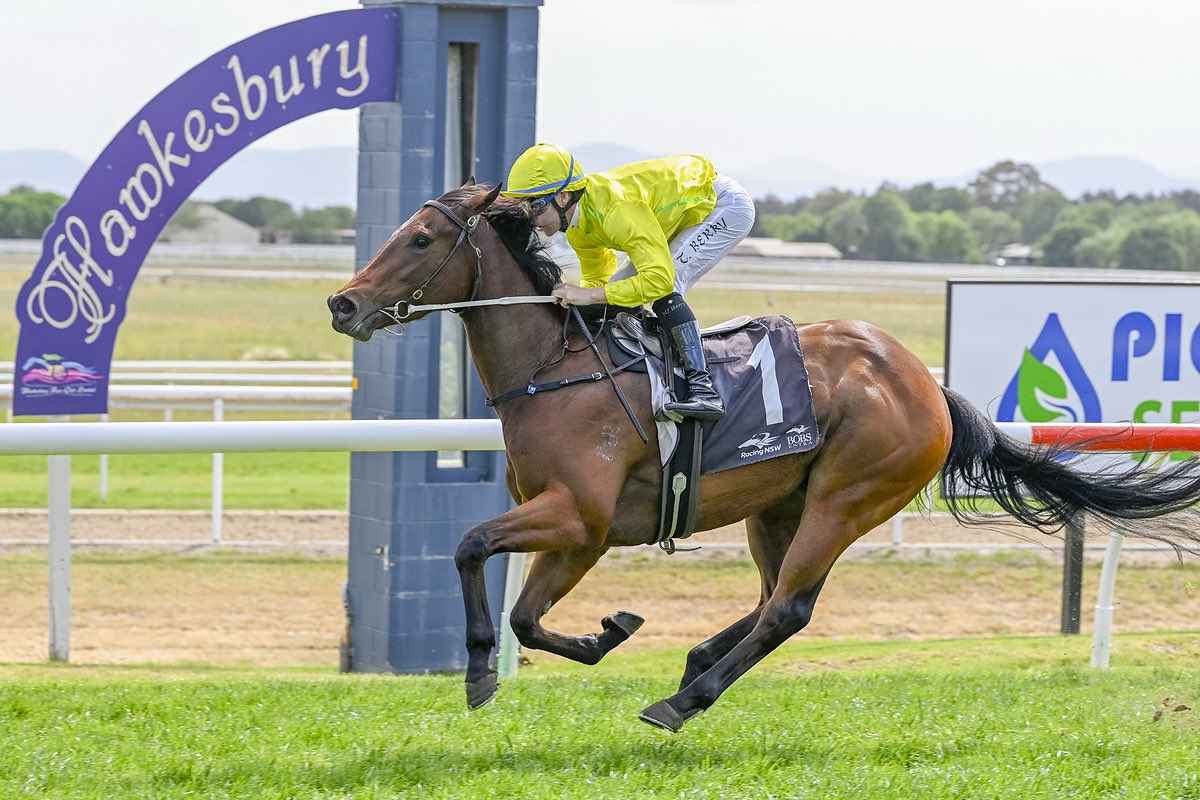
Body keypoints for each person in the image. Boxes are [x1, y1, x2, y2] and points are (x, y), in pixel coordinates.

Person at [500, 143, 755, 421]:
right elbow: (598, 283)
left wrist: (589, 295)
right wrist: (583, 297)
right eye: (522, 206)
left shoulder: (616, 211)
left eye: (535, 205)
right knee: (617, 293)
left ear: (563, 196)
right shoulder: (577, 229)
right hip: (679, 214)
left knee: (665, 286)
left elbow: (657, 280)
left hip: (723, 207)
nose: (530, 217)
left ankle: (703, 391)